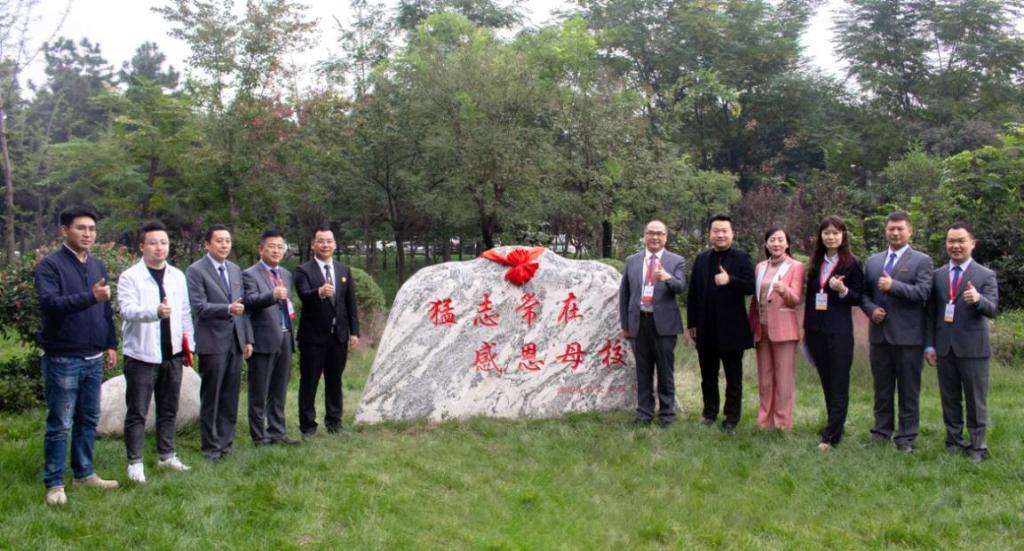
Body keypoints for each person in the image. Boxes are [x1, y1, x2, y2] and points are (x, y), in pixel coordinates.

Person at [34, 206, 120, 506]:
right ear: (65, 230)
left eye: (92, 229)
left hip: (93, 357)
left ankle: (84, 474)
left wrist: (110, 343)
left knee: (88, 419)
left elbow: (104, 309)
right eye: (81, 228)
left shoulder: (96, 265)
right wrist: (90, 297)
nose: (87, 234)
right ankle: (55, 483)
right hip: (63, 357)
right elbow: (51, 304)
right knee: (60, 422)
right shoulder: (50, 266)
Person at [118, 220, 195, 483]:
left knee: (168, 408)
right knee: (137, 411)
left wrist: (189, 345)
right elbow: (127, 310)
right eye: (153, 243)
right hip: (141, 356)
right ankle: (135, 463)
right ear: (142, 246)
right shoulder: (130, 276)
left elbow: (184, 312)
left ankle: (166, 455)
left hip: (172, 353)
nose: (159, 247)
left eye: (164, 242)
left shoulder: (177, 276)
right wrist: (154, 312)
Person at [925, 222, 999, 464]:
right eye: (951, 241)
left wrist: (978, 299)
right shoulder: (937, 275)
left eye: (961, 241)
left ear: (972, 244)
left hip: (973, 349)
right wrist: (930, 345)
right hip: (944, 348)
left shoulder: (985, 275)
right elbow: (931, 314)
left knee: (975, 400)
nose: (955, 246)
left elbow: (993, 309)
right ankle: (954, 442)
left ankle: (978, 446)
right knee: (950, 399)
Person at [860, 211, 933, 453]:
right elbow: (864, 295)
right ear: (885, 231)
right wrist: (871, 310)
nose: (895, 232)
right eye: (891, 228)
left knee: (908, 390)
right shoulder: (873, 261)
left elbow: (923, 293)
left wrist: (894, 286)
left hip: (908, 338)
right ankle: (881, 433)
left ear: (910, 231)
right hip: (879, 336)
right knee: (882, 389)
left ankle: (906, 438)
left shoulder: (922, 261)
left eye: (900, 228)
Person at [186, 224, 253, 462]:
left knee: (230, 395)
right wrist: (227, 309)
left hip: (235, 340)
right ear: (207, 244)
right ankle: (210, 447)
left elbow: (243, 308)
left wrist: (247, 338)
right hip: (211, 341)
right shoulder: (196, 270)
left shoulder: (235, 270)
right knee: (212, 395)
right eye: (219, 241)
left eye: (227, 241)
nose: (224, 245)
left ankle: (226, 443)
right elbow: (199, 306)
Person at [687, 214, 755, 433]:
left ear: (732, 233)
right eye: (716, 231)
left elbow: (751, 287)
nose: (720, 235)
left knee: (733, 378)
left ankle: (731, 419)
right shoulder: (702, 259)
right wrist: (692, 323)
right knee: (708, 376)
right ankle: (709, 414)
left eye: (725, 231)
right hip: (705, 327)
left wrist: (730, 280)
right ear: (710, 234)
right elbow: (693, 293)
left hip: (732, 328)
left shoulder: (741, 257)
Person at [803, 215, 864, 451]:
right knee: (826, 381)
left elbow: (858, 297)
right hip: (815, 330)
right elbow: (810, 298)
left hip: (839, 332)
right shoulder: (815, 263)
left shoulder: (852, 264)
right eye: (827, 233)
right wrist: (806, 329)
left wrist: (843, 290)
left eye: (836, 233)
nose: (831, 237)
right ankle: (834, 424)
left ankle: (832, 437)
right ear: (821, 236)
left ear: (843, 236)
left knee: (839, 381)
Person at [618, 220, 687, 427]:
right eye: (651, 233)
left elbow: (680, 287)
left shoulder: (676, 261)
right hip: (639, 323)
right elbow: (624, 294)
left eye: (659, 233)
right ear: (644, 235)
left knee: (665, 371)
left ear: (666, 237)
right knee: (643, 371)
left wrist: (667, 278)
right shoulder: (632, 261)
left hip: (664, 325)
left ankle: (667, 415)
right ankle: (644, 413)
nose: (655, 237)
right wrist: (625, 324)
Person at [293, 225, 359, 437]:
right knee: (309, 382)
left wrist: (354, 332)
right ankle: (308, 426)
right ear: (313, 244)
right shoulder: (303, 270)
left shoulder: (343, 270)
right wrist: (319, 292)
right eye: (321, 241)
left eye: (329, 241)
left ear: (335, 244)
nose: (325, 245)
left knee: (334, 381)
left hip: (338, 336)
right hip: (313, 338)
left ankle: (334, 423)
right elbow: (303, 294)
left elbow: (350, 304)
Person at [242, 229, 299, 446]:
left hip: (284, 335)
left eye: (280, 247)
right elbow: (249, 301)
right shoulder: (250, 274)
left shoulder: (285, 274)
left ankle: (277, 431)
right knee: (259, 390)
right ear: (261, 249)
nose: (276, 251)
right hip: (262, 338)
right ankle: (259, 435)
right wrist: (271, 295)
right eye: (272, 247)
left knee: (279, 388)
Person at [747, 228, 805, 432]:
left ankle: (782, 424)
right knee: (765, 378)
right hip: (761, 329)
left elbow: (795, 299)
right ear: (766, 244)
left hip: (784, 330)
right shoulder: (760, 267)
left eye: (780, 240)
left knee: (784, 379)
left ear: (787, 244)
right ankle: (764, 422)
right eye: (772, 240)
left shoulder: (796, 266)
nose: (776, 244)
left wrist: (784, 290)